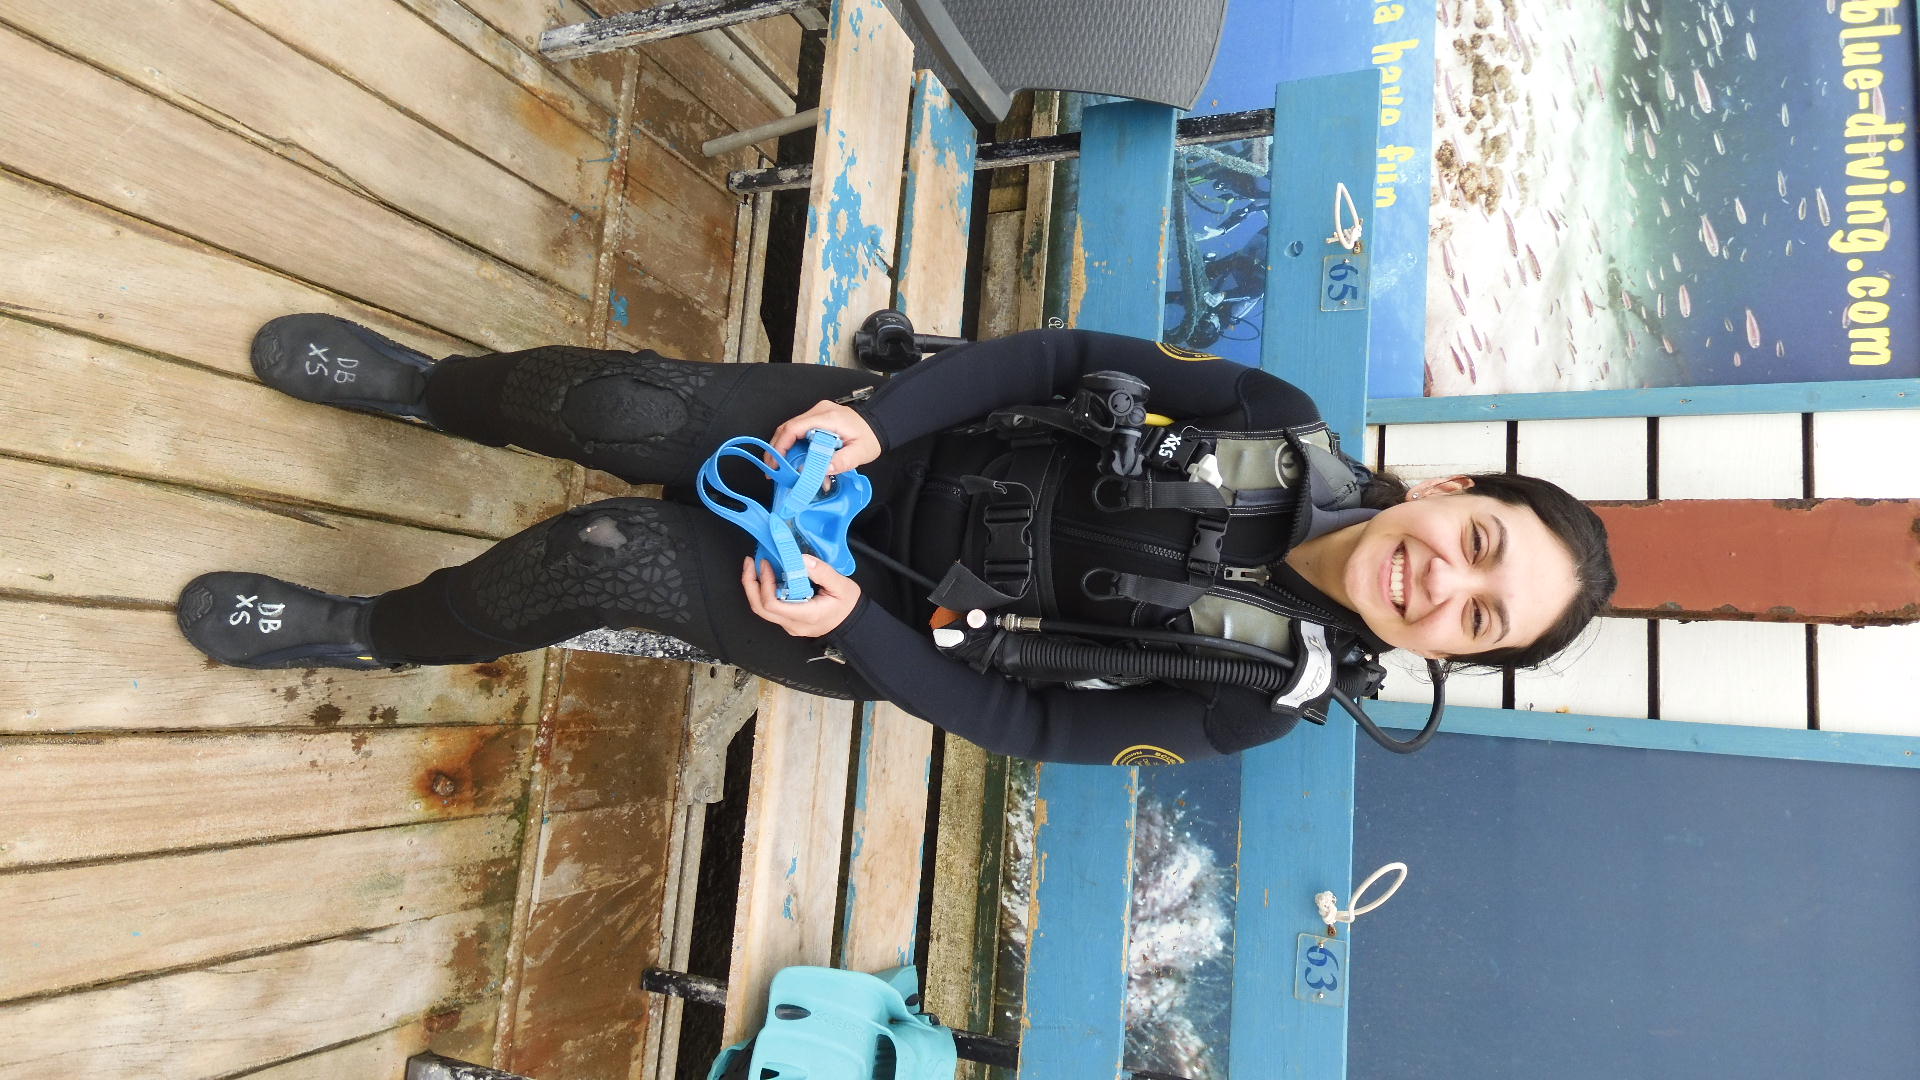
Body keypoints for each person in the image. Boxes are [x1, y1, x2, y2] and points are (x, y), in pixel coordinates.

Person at [177, 315, 1616, 765]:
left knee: (604, 558)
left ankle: (363, 633)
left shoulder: (1255, 704)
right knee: (606, 403)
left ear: (1447, 655)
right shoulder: (1275, 417)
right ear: (1452, 492)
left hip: (863, 615)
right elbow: (1059, 357)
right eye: (1482, 541)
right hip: (883, 439)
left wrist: (843, 626)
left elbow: (1028, 724)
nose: (1446, 580)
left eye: (1480, 617)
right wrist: (876, 422)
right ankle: (431, 391)